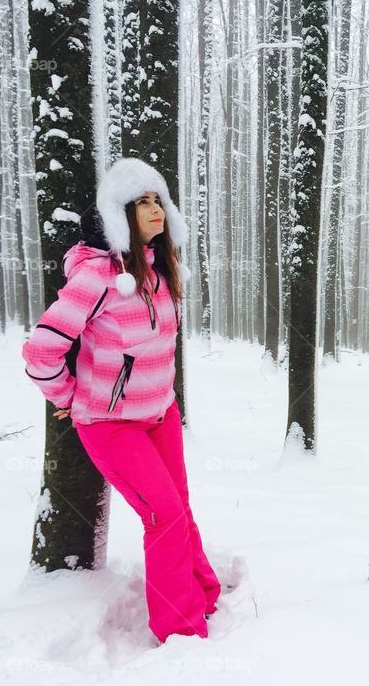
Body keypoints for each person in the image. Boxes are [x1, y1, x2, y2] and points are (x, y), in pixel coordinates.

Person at [21, 157, 220, 644]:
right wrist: (67, 396)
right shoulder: (98, 275)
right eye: (142, 202)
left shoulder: (159, 269)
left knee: (179, 508)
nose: (154, 209)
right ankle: (180, 629)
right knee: (164, 517)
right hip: (111, 424)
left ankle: (203, 594)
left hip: (161, 413)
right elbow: (42, 349)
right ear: (119, 214)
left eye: (158, 200)